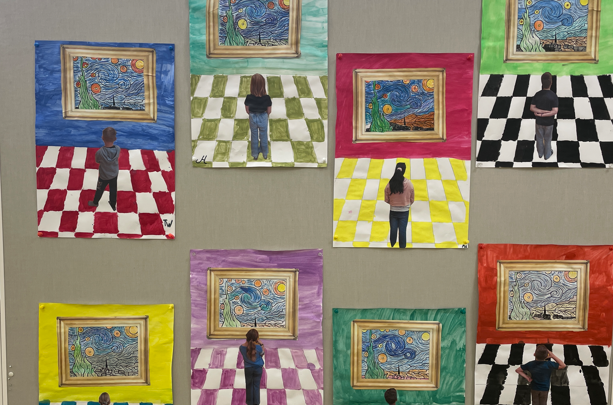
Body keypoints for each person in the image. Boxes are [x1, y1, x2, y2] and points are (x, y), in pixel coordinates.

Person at [88, 127, 120, 211]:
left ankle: (95, 202)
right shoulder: (118, 149)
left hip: (103, 176)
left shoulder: (100, 152)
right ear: (115, 139)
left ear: (102, 138)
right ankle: (113, 204)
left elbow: (97, 161)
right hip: (114, 174)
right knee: (113, 190)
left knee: (99, 189)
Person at [384, 162, 415, 248]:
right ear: (404, 171)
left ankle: (392, 246)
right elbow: (412, 199)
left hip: (393, 211)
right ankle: (402, 248)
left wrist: (393, 203)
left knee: (393, 230)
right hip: (404, 212)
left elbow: (386, 199)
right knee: (402, 231)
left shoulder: (390, 183)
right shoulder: (409, 183)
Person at [530, 72, 558, 160]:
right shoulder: (553, 96)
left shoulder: (537, 94)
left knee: (539, 137)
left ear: (541, 82)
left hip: (539, 122)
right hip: (549, 123)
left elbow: (532, 108)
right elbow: (555, 111)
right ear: (551, 83)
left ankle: (540, 153)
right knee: (547, 139)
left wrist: (540, 114)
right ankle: (547, 154)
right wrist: (545, 113)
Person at [244, 74, 272, 160]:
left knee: (254, 137)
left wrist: (252, 115)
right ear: (263, 85)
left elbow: (247, 110)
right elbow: (269, 111)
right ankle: (265, 153)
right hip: (263, 117)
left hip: (253, 117)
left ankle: (255, 155)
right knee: (263, 136)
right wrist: (265, 116)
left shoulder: (249, 97)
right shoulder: (267, 98)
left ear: (252, 85)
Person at [239, 329, 265, 405]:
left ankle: (249, 402)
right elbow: (262, 353)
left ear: (247, 336)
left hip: (248, 368)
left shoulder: (241, 347)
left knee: (249, 385)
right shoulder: (258, 347)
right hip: (258, 368)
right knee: (256, 385)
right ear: (256, 338)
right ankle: (256, 402)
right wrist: (261, 344)